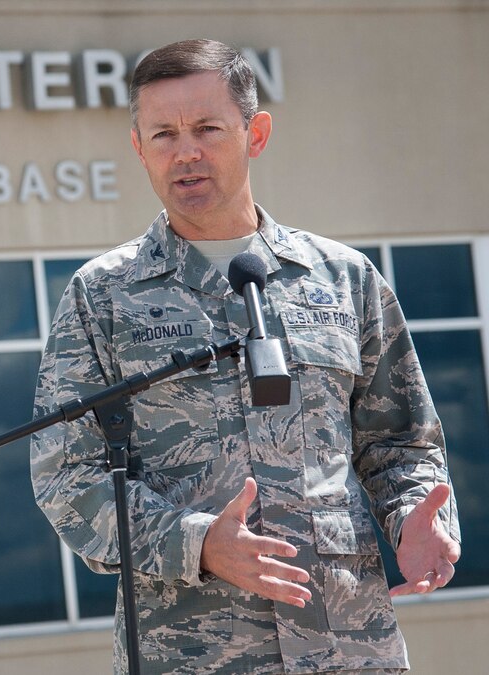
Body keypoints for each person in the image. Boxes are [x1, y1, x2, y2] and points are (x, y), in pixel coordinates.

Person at [30, 38, 461, 674]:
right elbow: (66, 476)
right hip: (194, 653)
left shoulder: (344, 279)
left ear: (255, 133)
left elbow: (402, 443)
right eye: (163, 134)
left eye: (207, 128)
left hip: (349, 646)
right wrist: (199, 543)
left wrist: (416, 521)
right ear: (138, 149)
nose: (186, 152)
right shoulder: (102, 296)